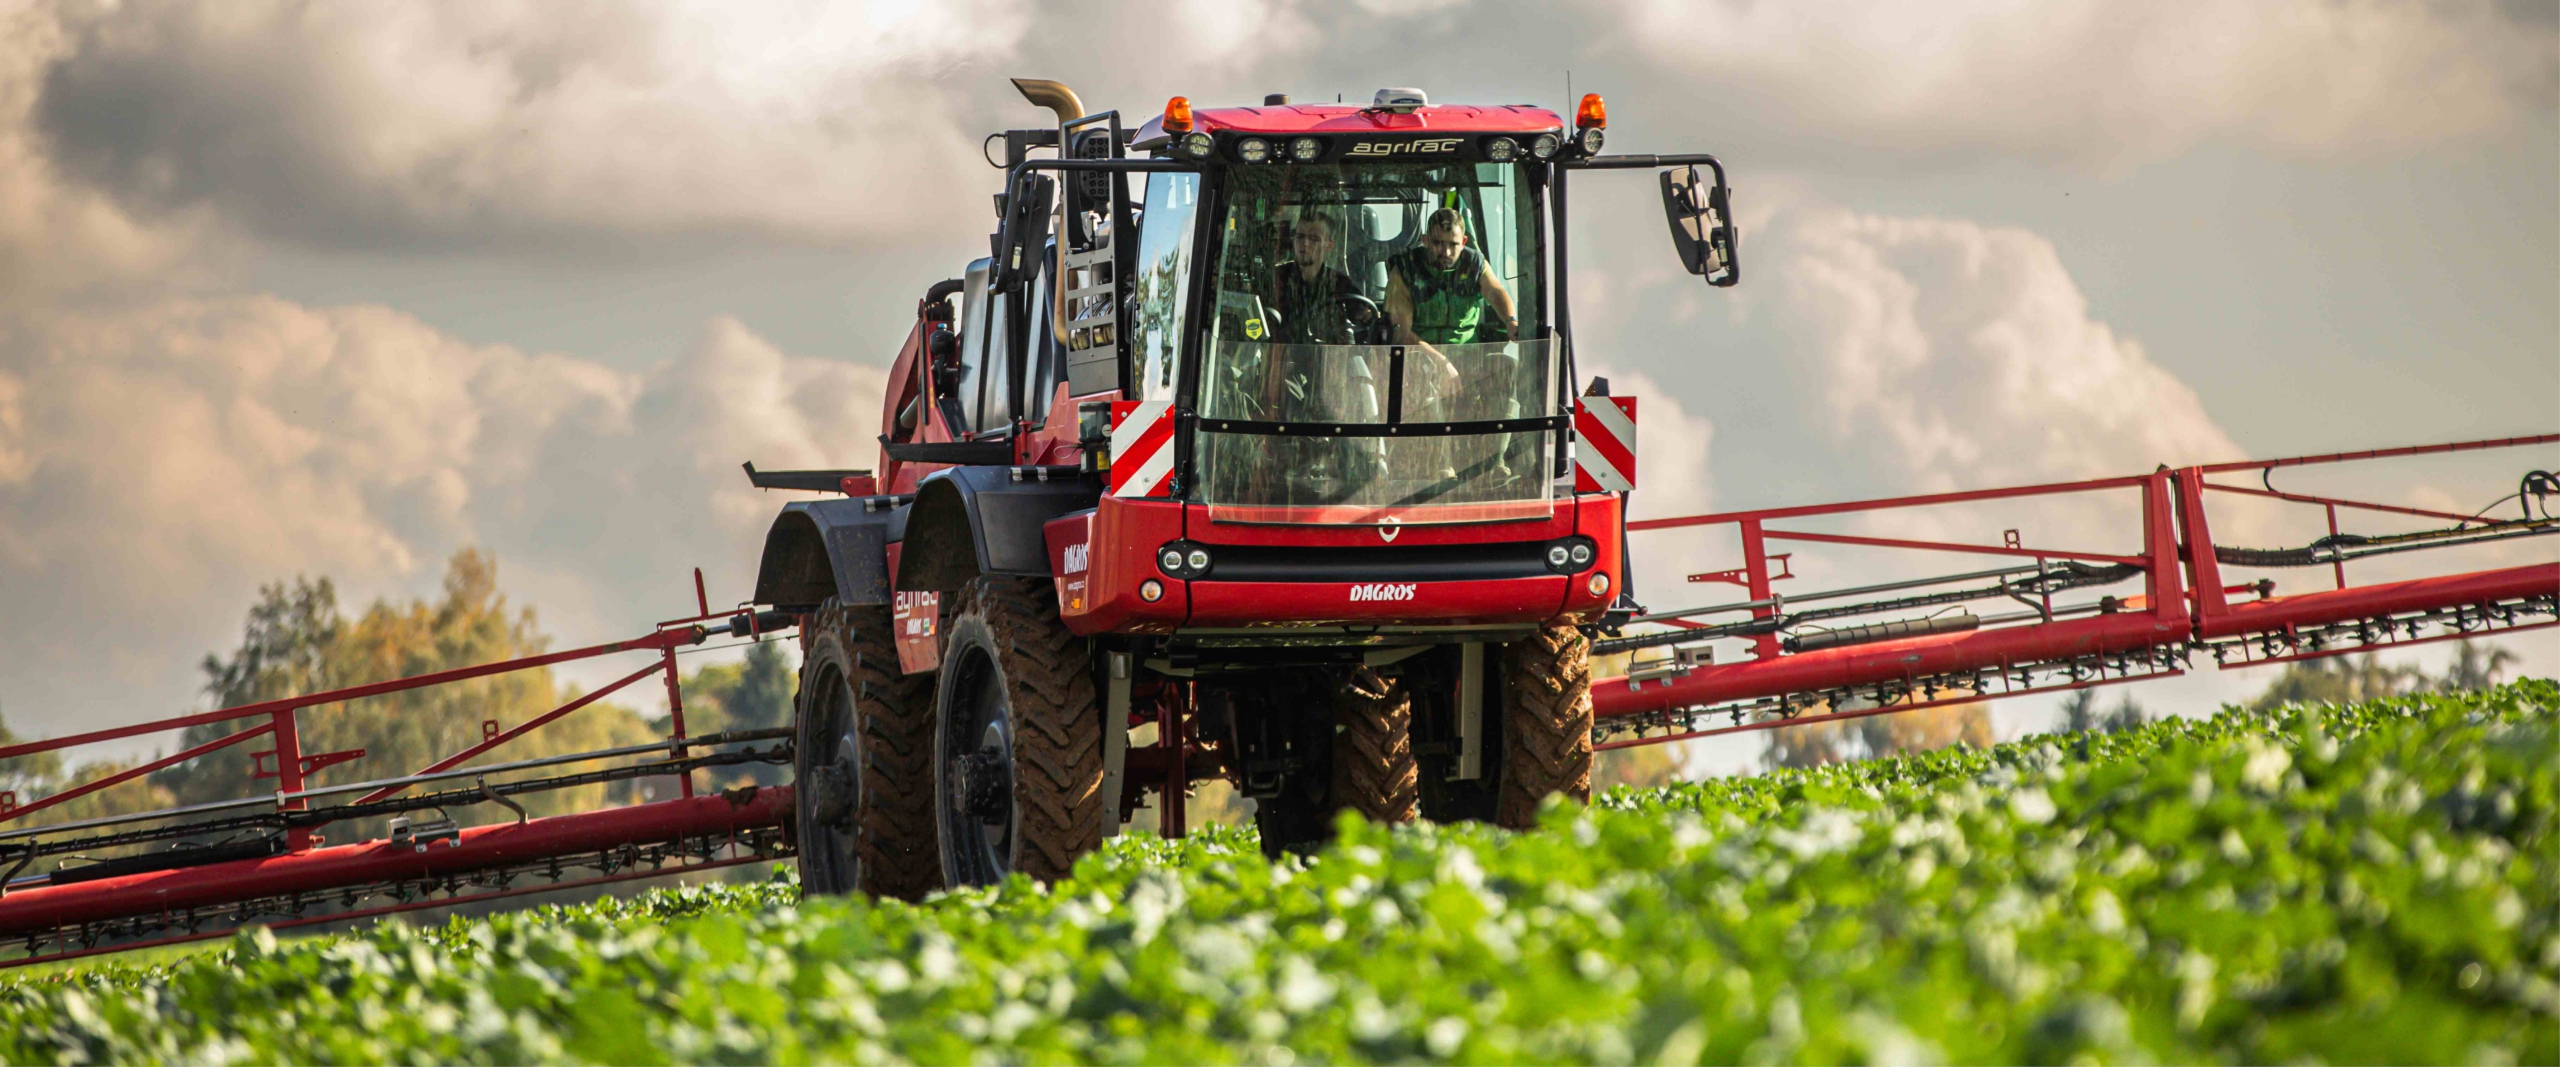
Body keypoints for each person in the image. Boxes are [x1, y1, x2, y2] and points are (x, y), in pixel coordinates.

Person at [1386, 208, 1518, 346]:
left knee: (1508, 363)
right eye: (1437, 243)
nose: (1446, 252)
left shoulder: (1474, 264)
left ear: (1463, 242)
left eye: (1453, 244)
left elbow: (1496, 292)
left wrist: (1511, 322)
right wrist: (1440, 360)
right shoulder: (1405, 269)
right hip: (1419, 357)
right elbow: (1400, 332)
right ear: (1425, 240)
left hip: (1470, 357)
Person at [1268, 213, 1361, 345]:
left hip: (1328, 359)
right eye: (1300, 236)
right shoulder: (1274, 279)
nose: (1305, 244)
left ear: (1329, 245)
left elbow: (1362, 321)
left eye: (1314, 239)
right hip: (1279, 358)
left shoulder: (1342, 285)